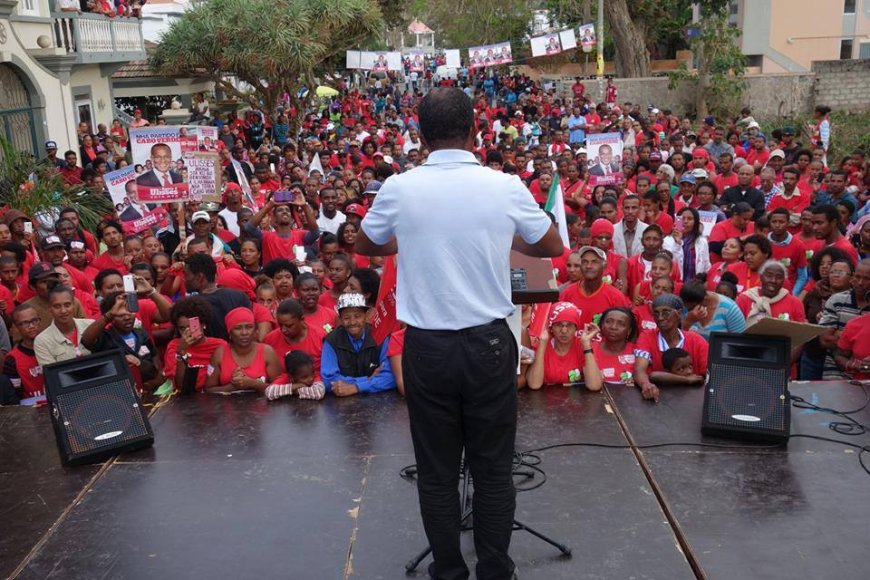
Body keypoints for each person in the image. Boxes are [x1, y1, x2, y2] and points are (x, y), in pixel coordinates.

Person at [355, 88, 562, 580]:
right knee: (493, 469)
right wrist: (497, 235)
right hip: (490, 345)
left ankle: (448, 572)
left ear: (421, 136)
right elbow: (550, 243)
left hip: (426, 348)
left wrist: (419, 238)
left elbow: (367, 243)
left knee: (437, 472)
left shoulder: (399, 188)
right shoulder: (504, 185)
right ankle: (495, 570)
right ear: (475, 129)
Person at [80, 292, 163, 392]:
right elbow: (86, 340)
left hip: (150, 393)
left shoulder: (142, 334)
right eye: (120, 314)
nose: (127, 317)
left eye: (129, 311)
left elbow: (156, 364)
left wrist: (152, 384)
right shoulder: (105, 338)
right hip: (118, 395)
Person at [634, 293, 709, 401]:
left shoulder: (697, 341)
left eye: (666, 313)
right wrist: (646, 385)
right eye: (656, 314)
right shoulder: (647, 337)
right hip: (658, 400)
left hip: (693, 400)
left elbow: (707, 376)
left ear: (678, 313)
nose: (660, 318)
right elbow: (639, 369)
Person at [320, 293, 395, 396]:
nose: (352, 322)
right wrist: (367, 379)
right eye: (346, 318)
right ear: (340, 319)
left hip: (378, 400)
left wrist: (356, 387)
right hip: (342, 405)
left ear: (366, 316)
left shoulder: (380, 335)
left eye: (357, 316)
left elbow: (390, 377)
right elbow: (329, 380)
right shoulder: (331, 340)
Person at [205, 307, 281, 394]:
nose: (244, 333)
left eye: (249, 327)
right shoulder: (219, 354)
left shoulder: (267, 352)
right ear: (229, 332)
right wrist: (233, 386)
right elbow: (209, 390)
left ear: (255, 330)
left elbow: (279, 388)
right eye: (238, 328)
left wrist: (253, 383)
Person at [526, 302, 599, 389]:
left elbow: (594, 386)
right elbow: (534, 385)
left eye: (569, 325)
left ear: (576, 328)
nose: (564, 331)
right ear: (551, 328)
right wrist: (542, 344)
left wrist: (586, 345)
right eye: (558, 325)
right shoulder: (543, 343)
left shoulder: (582, 345)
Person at [163, 297, 227, 392]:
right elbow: (180, 385)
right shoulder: (174, 346)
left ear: (203, 324)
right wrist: (181, 353)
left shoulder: (220, 345)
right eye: (182, 328)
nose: (187, 332)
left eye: (191, 326)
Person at [183, 253, 251, 341]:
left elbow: (194, 338)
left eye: (186, 274)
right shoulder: (240, 296)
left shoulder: (191, 306)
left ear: (199, 277)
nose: (184, 278)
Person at [559, 246, 630, 326]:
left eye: (594, 262)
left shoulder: (615, 297)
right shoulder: (567, 293)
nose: (588, 266)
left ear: (604, 266)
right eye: (585, 262)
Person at [33, 285, 94, 366]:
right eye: (57, 306)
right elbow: (52, 374)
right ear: (50, 309)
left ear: (74, 305)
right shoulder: (42, 341)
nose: (63, 311)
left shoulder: (90, 325)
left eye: (67, 305)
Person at [736, 260, 807, 325]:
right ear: (761, 277)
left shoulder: (795, 303)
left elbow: (799, 333)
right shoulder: (744, 299)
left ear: (783, 281)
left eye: (779, 277)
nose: (773, 280)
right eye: (769, 276)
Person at [679, 280, 746, 340]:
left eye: (691, 308)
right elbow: (679, 339)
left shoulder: (730, 309)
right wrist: (688, 322)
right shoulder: (686, 305)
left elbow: (740, 341)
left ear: (704, 301)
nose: (688, 311)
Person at [4, 304, 46, 400]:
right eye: (25, 323)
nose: (31, 326)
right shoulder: (12, 360)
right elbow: (14, 395)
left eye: (34, 321)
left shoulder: (54, 347)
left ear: (40, 321)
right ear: (16, 327)